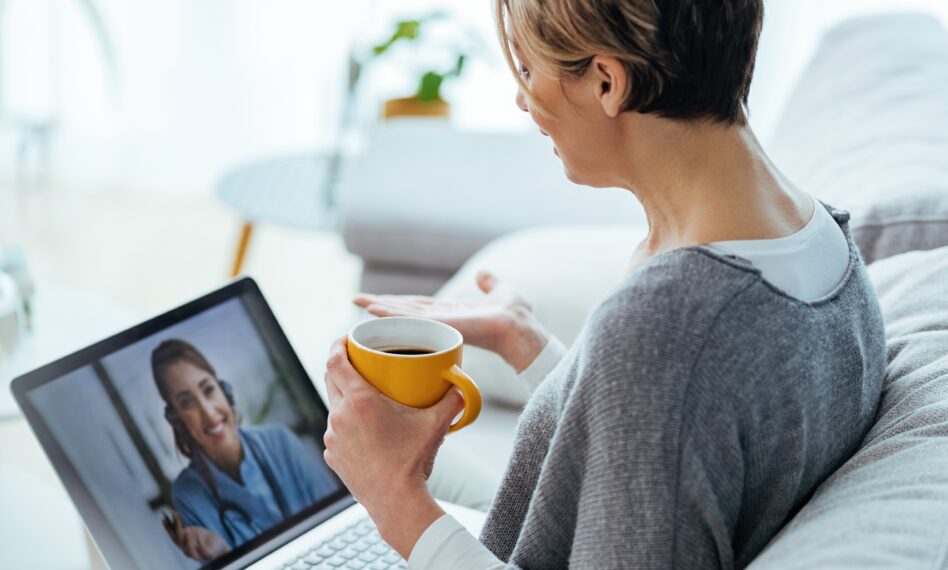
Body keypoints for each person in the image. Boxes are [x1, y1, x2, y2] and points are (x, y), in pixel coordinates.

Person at [321, 0, 886, 568]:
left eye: (527, 69)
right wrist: (528, 343)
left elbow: (669, 377)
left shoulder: (669, 327)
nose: (521, 99)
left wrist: (395, 496)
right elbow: (667, 438)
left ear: (607, 82)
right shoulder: (817, 237)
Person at [152, 339, 340, 562]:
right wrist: (223, 555)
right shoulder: (188, 495)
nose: (209, 413)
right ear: (176, 420)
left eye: (208, 390)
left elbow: (337, 516)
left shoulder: (279, 441)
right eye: (187, 403)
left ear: (224, 390)